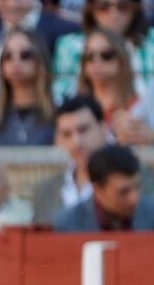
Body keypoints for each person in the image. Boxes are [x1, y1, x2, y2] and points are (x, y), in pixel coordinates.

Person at [50, 0, 154, 99]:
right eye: (104, 6)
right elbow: (60, 94)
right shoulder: (70, 45)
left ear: (135, 9)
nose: (113, 13)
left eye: (123, 6)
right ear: (91, 10)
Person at [52, 143, 154, 230]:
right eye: (123, 192)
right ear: (98, 190)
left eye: (137, 187)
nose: (135, 198)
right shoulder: (67, 224)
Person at [0, 26, 59, 146]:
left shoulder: (60, 117)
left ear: (40, 62)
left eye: (25, 55)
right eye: (8, 56)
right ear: (1, 65)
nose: (15, 62)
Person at [33, 94, 113, 222]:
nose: (76, 142)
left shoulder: (137, 180)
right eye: (67, 134)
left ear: (104, 128)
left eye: (83, 130)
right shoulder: (45, 191)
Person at [75, 25, 145, 129]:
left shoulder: (141, 108)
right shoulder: (75, 109)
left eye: (106, 55)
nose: (97, 62)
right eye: (89, 57)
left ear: (122, 60)